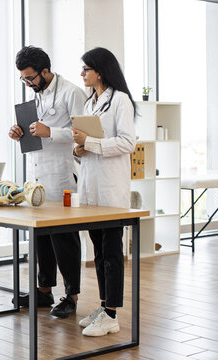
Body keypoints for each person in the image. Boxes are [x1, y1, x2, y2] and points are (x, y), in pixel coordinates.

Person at [8, 46, 87, 318]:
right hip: (37, 175)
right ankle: (44, 291)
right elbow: (35, 132)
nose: (28, 84)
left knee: (64, 237)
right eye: (23, 80)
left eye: (30, 78)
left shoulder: (71, 93)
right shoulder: (36, 95)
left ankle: (72, 296)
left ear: (45, 71)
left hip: (62, 174)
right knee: (41, 236)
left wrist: (49, 131)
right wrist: (19, 133)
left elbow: (82, 133)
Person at [72, 47, 136, 336]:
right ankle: (103, 305)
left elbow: (126, 143)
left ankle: (112, 314)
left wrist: (91, 143)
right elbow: (91, 144)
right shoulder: (90, 103)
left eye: (86, 69)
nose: (82, 74)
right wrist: (79, 148)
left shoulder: (120, 100)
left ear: (100, 70)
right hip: (90, 189)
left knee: (111, 252)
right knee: (98, 251)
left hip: (110, 190)